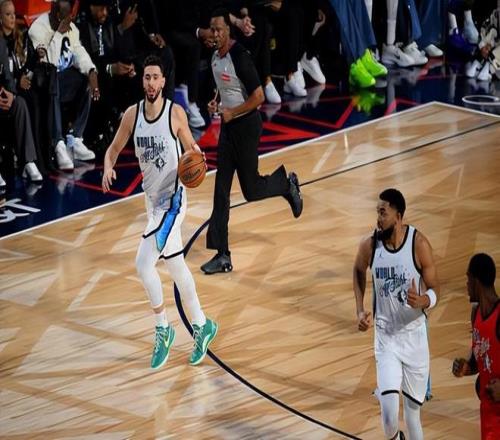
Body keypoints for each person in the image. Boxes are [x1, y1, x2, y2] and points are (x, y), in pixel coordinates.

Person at [102, 55, 218, 369]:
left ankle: (163, 328)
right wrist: (108, 167)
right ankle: (203, 324)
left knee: (143, 264)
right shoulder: (132, 115)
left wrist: (197, 156)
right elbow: (113, 149)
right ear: (142, 81)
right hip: (152, 203)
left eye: (156, 77)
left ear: (164, 81)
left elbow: (192, 148)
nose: (151, 83)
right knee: (176, 266)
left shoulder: (174, 113)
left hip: (173, 202)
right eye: (147, 77)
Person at [201, 8, 303, 275]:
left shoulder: (240, 56)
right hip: (228, 130)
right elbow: (226, 88)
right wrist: (216, 102)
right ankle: (222, 255)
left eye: (219, 29)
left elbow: (258, 97)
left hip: (247, 127)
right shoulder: (214, 58)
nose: (214, 34)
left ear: (228, 30)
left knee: (252, 190)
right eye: (212, 29)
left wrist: (232, 112)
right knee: (221, 191)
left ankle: (286, 185)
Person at [353, 188, 439, 440]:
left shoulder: (418, 244)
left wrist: (424, 300)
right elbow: (357, 270)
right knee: (389, 415)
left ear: (398, 216)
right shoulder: (370, 245)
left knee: (412, 417)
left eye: (383, 213)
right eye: (377, 212)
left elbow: (436, 289)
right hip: (386, 338)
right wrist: (359, 310)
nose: (378, 219)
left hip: (414, 338)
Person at [29, 0, 97, 170]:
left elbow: (78, 53)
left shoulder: (72, 29)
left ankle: (75, 139)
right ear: (57, 15)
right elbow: (48, 63)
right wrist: (58, 34)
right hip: (43, 85)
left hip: (62, 82)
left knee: (85, 79)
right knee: (53, 78)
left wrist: (91, 71)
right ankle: (58, 144)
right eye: (65, 16)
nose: (69, 20)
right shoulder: (37, 29)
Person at [452, 253, 499, 440]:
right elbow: (479, 360)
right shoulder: (476, 315)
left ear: (476, 281)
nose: (466, 285)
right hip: (488, 415)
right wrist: (466, 367)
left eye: (468, 279)